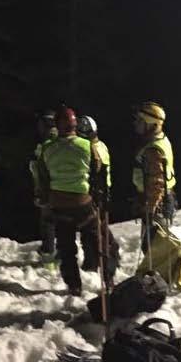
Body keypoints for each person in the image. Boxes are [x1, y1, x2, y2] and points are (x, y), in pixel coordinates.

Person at [37, 105, 117, 295]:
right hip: (83, 203)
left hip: (59, 204)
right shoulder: (87, 145)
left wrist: (45, 201)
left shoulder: (47, 149)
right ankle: (108, 277)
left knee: (66, 248)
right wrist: (101, 196)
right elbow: (98, 172)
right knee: (103, 241)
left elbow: (43, 178)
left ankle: (74, 285)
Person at [76, 115, 119, 273]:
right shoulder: (101, 145)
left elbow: (95, 172)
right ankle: (107, 256)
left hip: (95, 194)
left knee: (91, 230)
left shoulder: (89, 149)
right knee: (98, 228)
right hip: (102, 192)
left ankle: (95, 263)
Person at [132, 101, 176, 251]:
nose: (136, 124)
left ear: (152, 124)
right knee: (155, 247)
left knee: (153, 249)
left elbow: (157, 183)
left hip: (156, 204)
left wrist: (150, 210)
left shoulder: (153, 150)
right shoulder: (159, 140)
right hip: (161, 200)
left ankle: (163, 274)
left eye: (140, 121)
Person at [29, 110, 58, 265]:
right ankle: (61, 255)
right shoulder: (63, 142)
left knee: (48, 222)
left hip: (48, 190)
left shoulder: (44, 146)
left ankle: (48, 256)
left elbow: (38, 171)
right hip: (65, 189)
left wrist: (39, 191)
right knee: (63, 223)